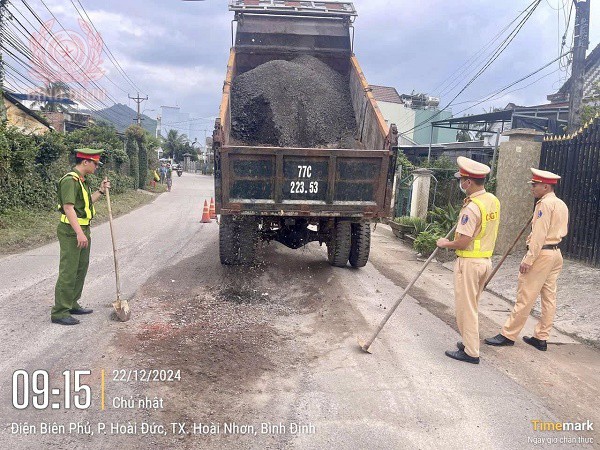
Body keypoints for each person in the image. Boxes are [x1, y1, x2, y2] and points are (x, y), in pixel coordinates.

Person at [485, 168, 568, 351]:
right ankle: (541, 337)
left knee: (525, 295)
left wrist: (529, 259)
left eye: (535, 185)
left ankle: (508, 334)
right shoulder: (560, 203)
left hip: (541, 254)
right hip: (555, 254)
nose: (532, 188)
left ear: (546, 186)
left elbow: (539, 235)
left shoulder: (544, 205)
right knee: (549, 297)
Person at [436, 156, 500, 364]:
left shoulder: (472, 208)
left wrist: (445, 243)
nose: (461, 183)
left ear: (469, 182)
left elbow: (463, 241)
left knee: (466, 308)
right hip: (485, 262)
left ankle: (471, 352)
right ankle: (468, 342)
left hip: (470, 263)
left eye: (462, 180)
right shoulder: (491, 200)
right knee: (472, 305)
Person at [51, 148, 111, 325]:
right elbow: (69, 208)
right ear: (85, 162)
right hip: (71, 231)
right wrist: (78, 233)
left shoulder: (82, 181)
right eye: (95, 163)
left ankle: (71, 303)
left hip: (83, 229)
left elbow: (84, 204)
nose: (96, 167)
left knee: (80, 269)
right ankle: (60, 311)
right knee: (68, 271)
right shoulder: (70, 180)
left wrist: (100, 191)